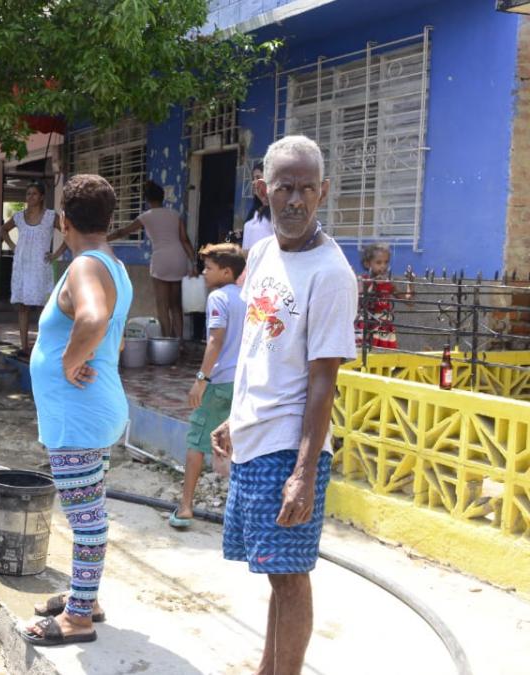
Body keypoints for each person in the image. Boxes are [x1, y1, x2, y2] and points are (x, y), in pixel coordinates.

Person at [211, 135, 358, 675]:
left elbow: (323, 382)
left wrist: (302, 472)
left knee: (290, 576)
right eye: (284, 188)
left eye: (306, 189)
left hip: (289, 450)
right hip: (254, 437)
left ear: (323, 192)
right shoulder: (265, 252)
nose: (295, 201)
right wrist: (235, 414)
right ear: (262, 190)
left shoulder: (332, 275)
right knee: (274, 572)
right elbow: (260, 348)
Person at [21, 174, 132, 647]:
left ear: (63, 221)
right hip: (93, 406)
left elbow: (92, 318)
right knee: (89, 508)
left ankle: (78, 618)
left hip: (78, 414)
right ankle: (85, 596)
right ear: (109, 221)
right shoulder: (113, 264)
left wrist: (69, 361)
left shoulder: (85, 266)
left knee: (87, 520)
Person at [171, 243, 247, 529]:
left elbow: (215, 340)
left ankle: (186, 506)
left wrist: (200, 381)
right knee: (237, 444)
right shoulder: (249, 298)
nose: (204, 273)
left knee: (197, 441)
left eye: (209, 268)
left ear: (227, 272)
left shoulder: (218, 297)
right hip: (242, 384)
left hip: (219, 383)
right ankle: (237, 512)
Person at [107, 181, 197, 338]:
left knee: (162, 305)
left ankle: (167, 341)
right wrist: (193, 263)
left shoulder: (146, 217)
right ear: (162, 198)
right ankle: (180, 342)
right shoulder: (174, 215)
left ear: (147, 199)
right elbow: (185, 240)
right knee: (175, 305)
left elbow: (123, 231)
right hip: (179, 259)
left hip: (161, 260)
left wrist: (104, 238)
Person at [1, 180, 60, 356]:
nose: (30, 197)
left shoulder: (50, 216)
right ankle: (24, 346)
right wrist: (13, 246)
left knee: (43, 306)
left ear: (41, 197)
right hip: (22, 265)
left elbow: (69, 232)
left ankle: (43, 346)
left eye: (34, 193)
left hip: (40, 266)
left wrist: (56, 254)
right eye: (28, 194)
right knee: (23, 306)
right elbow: (2, 230)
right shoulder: (19, 216)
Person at [355, 243, 411, 350]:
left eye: (386, 262)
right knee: (367, 353)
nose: (383, 266)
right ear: (367, 264)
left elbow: (408, 301)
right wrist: (372, 282)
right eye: (378, 262)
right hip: (369, 323)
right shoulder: (363, 279)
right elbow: (360, 297)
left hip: (384, 324)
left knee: (385, 355)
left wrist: (410, 283)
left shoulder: (388, 283)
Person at [241, 160, 272, 253]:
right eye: (253, 178)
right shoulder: (255, 211)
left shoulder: (278, 212)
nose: (253, 182)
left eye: (258, 177)